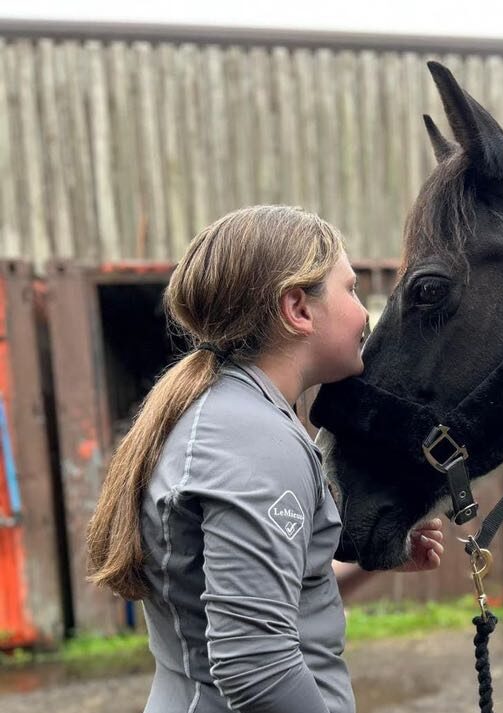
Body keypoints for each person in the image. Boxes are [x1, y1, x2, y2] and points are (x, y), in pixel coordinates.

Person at [86, 206, 444, 713]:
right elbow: (257, 665)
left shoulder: (229, 416)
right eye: (350, 290)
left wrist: (370, 559)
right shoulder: (254, 442)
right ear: (298, 308)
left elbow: (271, 608)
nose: (365, 314)